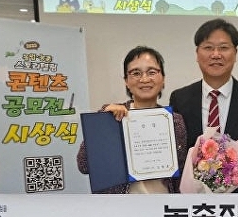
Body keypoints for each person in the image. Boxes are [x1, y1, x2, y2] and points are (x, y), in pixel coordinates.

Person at [169, 18, 238, 193]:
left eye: (223, 48)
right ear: (197, 54)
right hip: (193, 201)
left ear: (235, 53)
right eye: (208, 48)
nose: (216, 54)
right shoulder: (180, 98)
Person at [77, 46, 187, 193]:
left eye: (152, 72)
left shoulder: (175, 121)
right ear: (126, 81)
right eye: (136, 73)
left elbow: (180, 175)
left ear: (163, 79)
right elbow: (83, 165)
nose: (144, 79)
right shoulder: (110, 116)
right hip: (121, 205)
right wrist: (103, 124)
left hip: (163, 203)